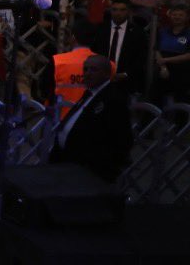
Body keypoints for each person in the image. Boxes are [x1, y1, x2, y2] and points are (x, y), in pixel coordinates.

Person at [51, 53, 133, 183]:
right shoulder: (90, 93)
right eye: (85, 69)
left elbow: (121, 139)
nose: (87, 73)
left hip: (88, 171)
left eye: (93, 70)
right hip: (69, 164)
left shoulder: (113, 100)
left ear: (106, 74)